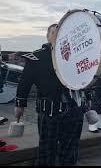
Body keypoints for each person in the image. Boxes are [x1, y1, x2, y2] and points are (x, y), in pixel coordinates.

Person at [14, 24, 89, 165]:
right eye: (54, 32)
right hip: (49, 112)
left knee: (70, 150)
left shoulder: (77, 56)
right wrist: (20, 105)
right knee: (47, 150)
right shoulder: (37, 57)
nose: (57, 34)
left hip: (74, 111)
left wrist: (87, 103)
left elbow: (85, 80)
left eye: (61, 32)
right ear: (48, 36)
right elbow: (24, 82)